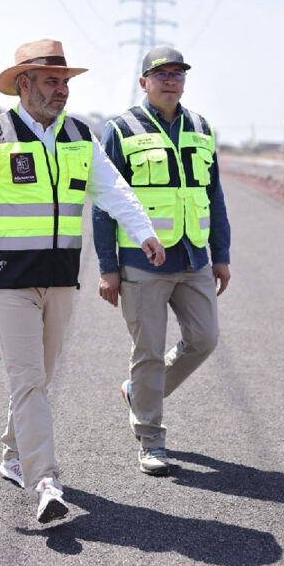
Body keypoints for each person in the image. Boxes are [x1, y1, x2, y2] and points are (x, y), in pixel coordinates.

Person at [0, 39, 165, 523]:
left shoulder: (81, 135)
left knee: (41, 375)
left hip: (60, 278)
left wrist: (143, 231)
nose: (62, 90)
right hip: (10, 280)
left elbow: (114, 190)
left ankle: (13, 451)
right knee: (29, 379)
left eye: (65, 83)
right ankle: (45, 480)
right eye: (52, 81)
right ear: (25, 84)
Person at [93, 47, 231, 476]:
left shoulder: (202, 128)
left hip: (194, 257)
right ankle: (151, 440)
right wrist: (107, 266)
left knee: (204, 338)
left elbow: (214, 195)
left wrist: (221, 255)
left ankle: (139, 392)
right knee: (148, 351)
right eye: (161, 73)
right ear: (144, 82)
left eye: (177, 73)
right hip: (141, 262)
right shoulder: (120, 130)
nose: (170, 80)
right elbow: (103, 203)